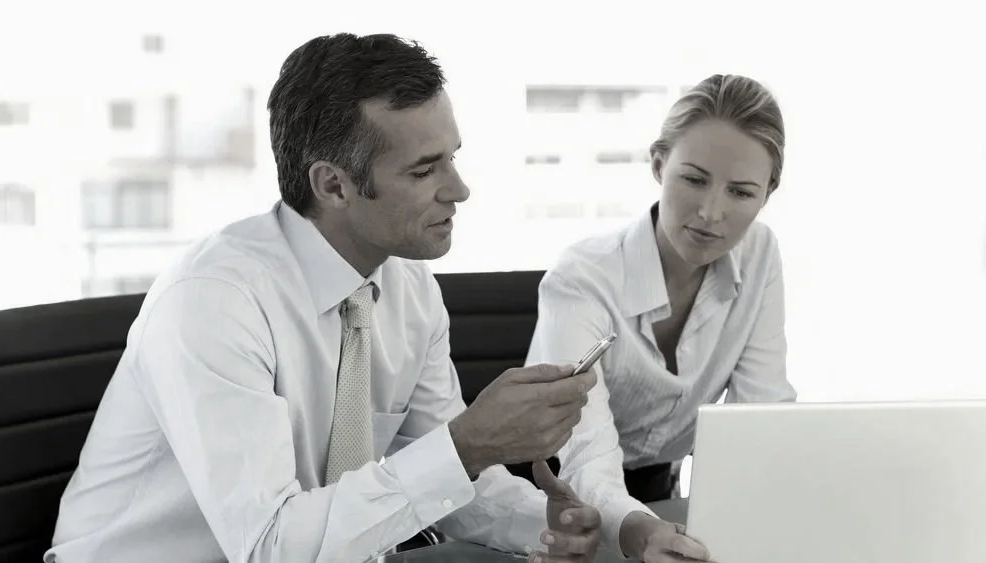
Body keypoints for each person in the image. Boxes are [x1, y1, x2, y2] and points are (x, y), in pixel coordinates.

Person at [45, 33, 606, 563]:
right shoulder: (215, 302)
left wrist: (549, 524)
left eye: (452, 157)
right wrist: (466, 446)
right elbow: (270, 545)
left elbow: (449, 475)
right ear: (333, 185)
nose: (459, 189)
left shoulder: (407, 288)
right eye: (424, 169)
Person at [526, 73, 797, 559]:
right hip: (551, 500)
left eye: (740, 192)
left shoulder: (759, 255)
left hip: (661, 500)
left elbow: (761, 417)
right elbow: (585, 451)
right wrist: (638, 529)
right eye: (694, 180)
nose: (711, 213)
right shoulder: (581, 279)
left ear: (768, 192)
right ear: (658, 164)